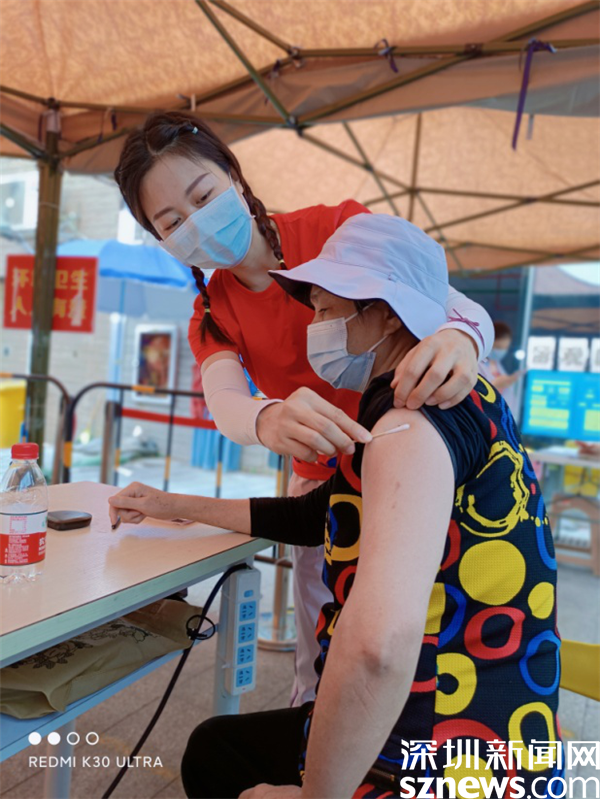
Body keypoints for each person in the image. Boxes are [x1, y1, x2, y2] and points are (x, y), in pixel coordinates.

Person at [109, 213, 561, 799]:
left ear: (388, 313)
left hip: (450, 749)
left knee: (220, 761)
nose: (314, 327)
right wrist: (170, 503)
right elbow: (314, 514)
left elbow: (377, 648)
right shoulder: (451, 395)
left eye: (325, 309)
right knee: (216, 748)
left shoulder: (411, 422)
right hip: (498, 725)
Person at [114, 112, 494, 708]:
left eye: (204, 197)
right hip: (325, 487)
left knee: (425, 632)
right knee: (324, 647)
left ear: (234, 176)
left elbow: (452, 304)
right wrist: (266, 419)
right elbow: (227, 403)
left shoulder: (336, 230)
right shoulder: (211, 313)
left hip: (410, 458)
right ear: (161, 240)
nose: (196, 223)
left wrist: (462, 338)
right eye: (172, 222)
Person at [481, 321, 525, 415]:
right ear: (489, 342)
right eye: (498, 347)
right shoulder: (477, 364)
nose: (500, 351)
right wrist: (495, 386)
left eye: (504, 348)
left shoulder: (498, 366)